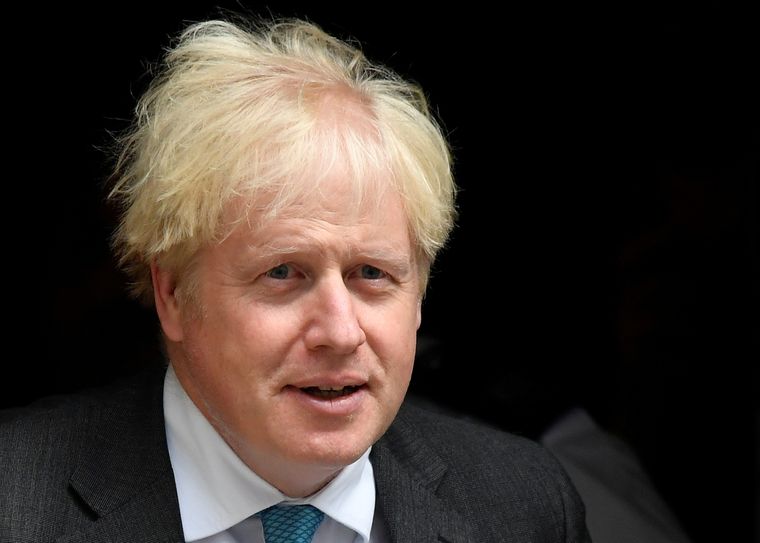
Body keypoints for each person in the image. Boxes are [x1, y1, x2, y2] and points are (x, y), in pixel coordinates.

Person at [0, 15, 590, 543]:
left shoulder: (525, 506)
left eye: (372, 274)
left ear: (419, 296)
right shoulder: (15, 500)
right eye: (282, 273)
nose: (339, 332)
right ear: (172, 294)